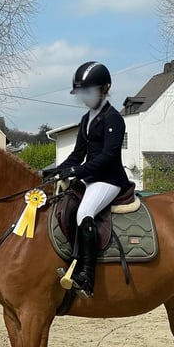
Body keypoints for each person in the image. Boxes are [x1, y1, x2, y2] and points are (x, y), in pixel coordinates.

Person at [46, 61, 130, 297]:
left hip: (109, 179)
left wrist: (77, 172)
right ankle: (70, 258)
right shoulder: (86, 120)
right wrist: (55, 171)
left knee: (85, 213)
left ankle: (86, 275)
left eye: (89, 92)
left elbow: (108, 156)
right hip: (90, 178)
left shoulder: (114, 119)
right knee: (64, 203)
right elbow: (77, 155)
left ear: (105, 89)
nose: (85, 97)